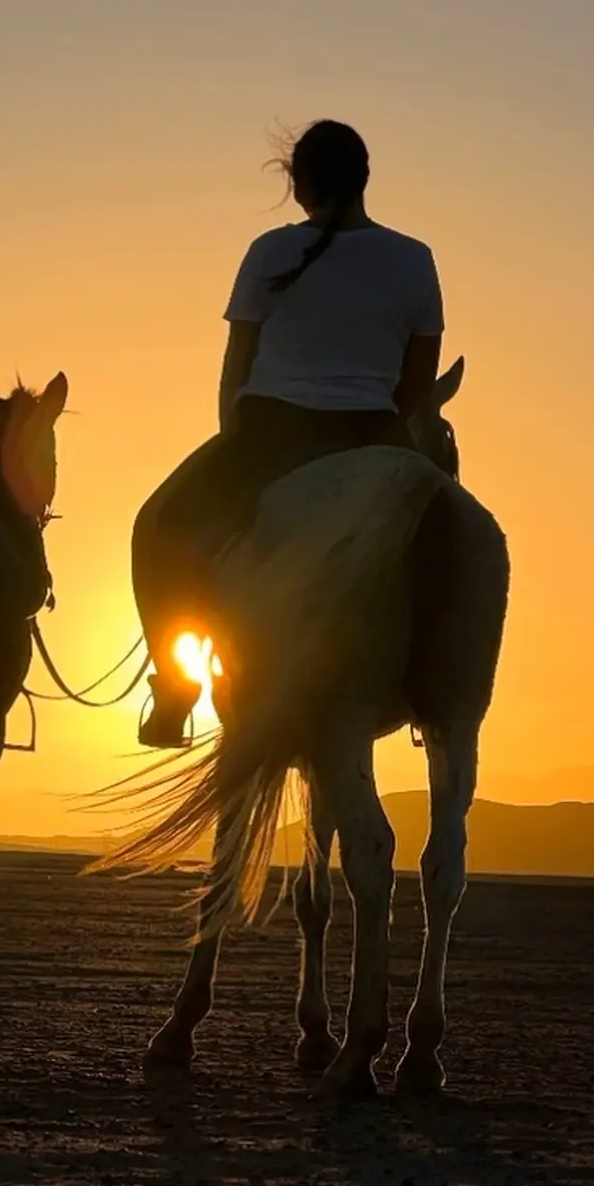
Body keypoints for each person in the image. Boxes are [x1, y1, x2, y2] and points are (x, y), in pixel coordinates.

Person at [133, 119, 445, 748]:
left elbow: (236, 366)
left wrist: (234, 439)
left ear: (301, 186)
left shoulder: (269, 252)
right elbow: (419, 382)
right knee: (443, 545)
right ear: (364, 180)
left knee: (159, 530)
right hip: (377, 437)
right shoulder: (415, 259)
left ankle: (174, 690)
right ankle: (437, 683)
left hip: (270, 434)